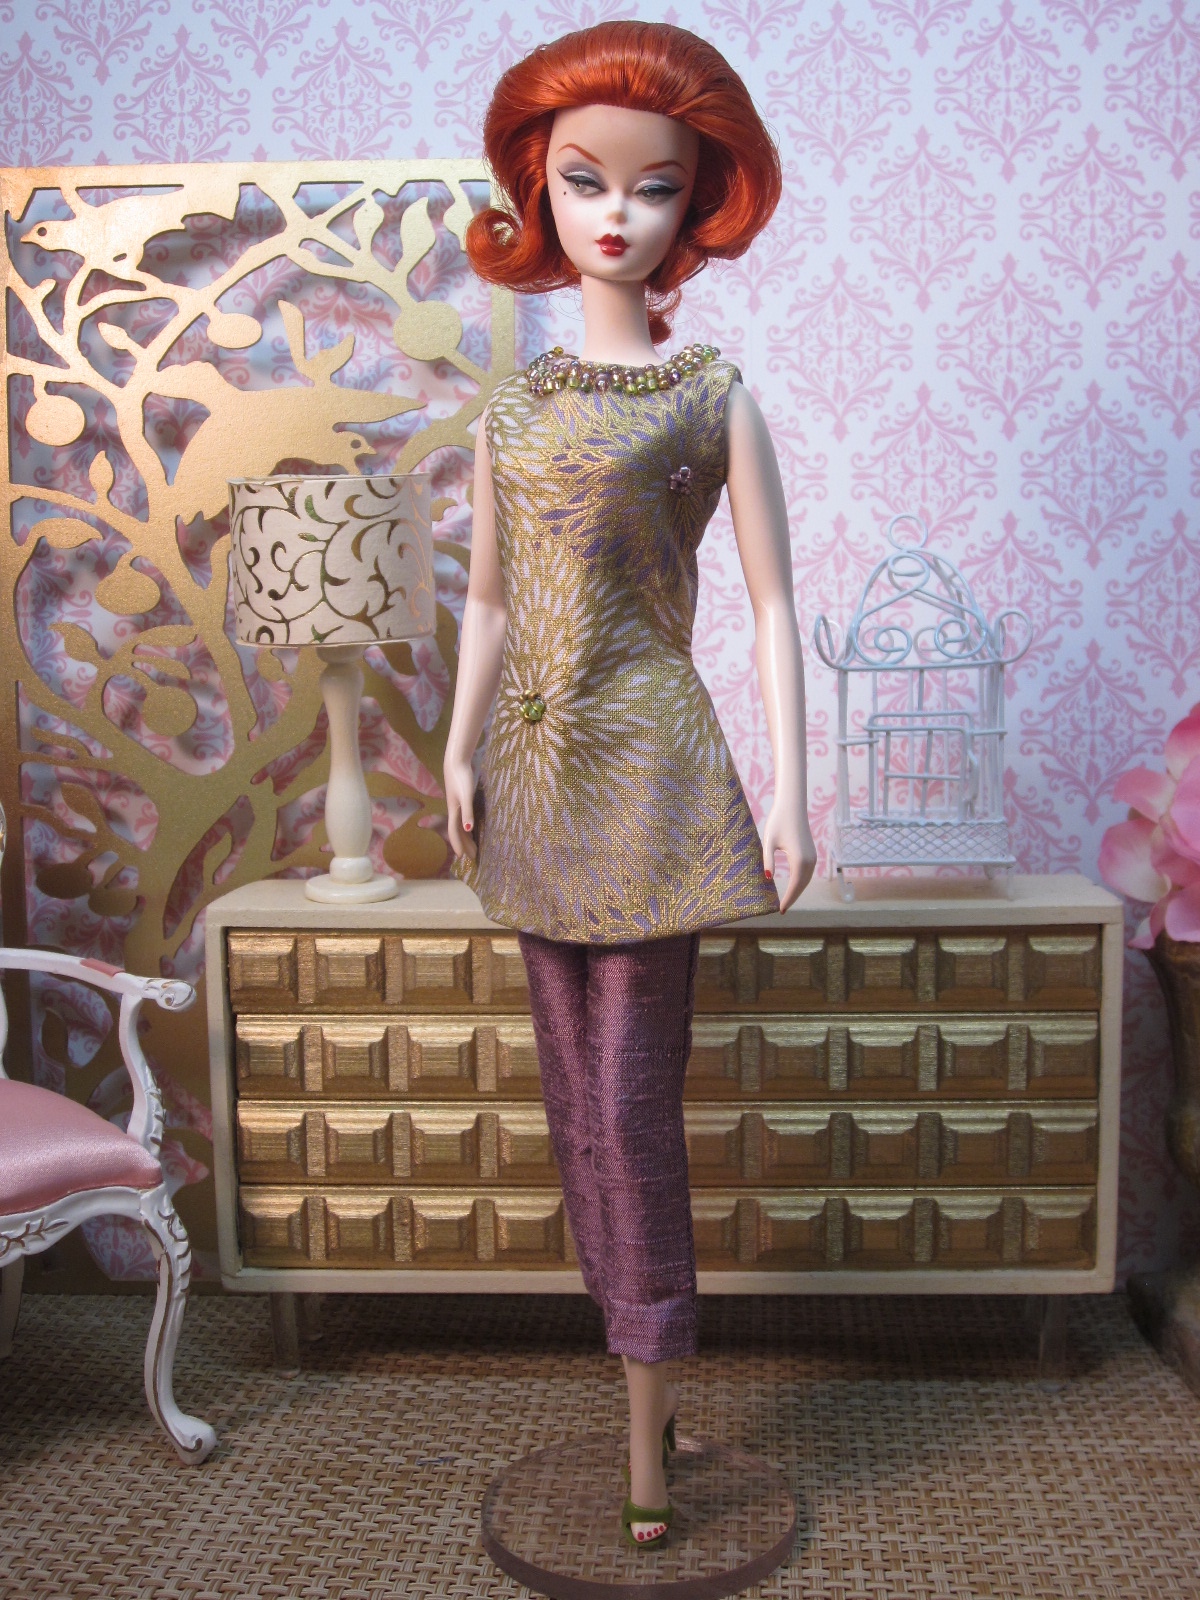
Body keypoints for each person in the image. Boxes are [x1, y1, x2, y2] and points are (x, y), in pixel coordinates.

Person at [443, 19, 815, 1550]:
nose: (616, 214)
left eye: (653, 187)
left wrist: (793, 790)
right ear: (538, 188)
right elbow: (486, 600)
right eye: (585, 179)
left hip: (653, 775)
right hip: (534, 775)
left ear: (695, 204)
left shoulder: (711, 393)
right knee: (572, 1105)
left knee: (631, 1103)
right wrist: (457, 744)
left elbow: (776, 607)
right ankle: (643, 1386)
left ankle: (652, 1423)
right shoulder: (512, 409)